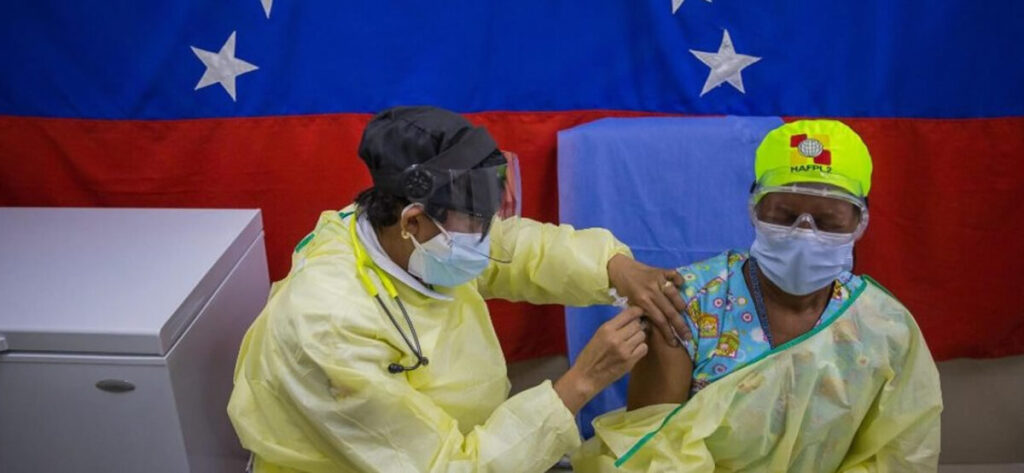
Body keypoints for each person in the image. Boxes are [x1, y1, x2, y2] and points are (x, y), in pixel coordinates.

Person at [227, 106, 692, 473]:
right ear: (412, 221)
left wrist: (613, 266)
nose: (489, 237)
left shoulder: (399, 234)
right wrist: (580, 383)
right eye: (476, 223)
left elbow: (519, 248)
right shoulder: (329, 326)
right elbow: (445, 466)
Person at [573, 120, 942, 472]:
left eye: (828, 221)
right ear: (755, 208)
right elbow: (650, 452)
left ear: (860, 222)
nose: (804, 233)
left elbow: (897, 454)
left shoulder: (884, 327)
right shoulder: (685, 305)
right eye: (784, 215)